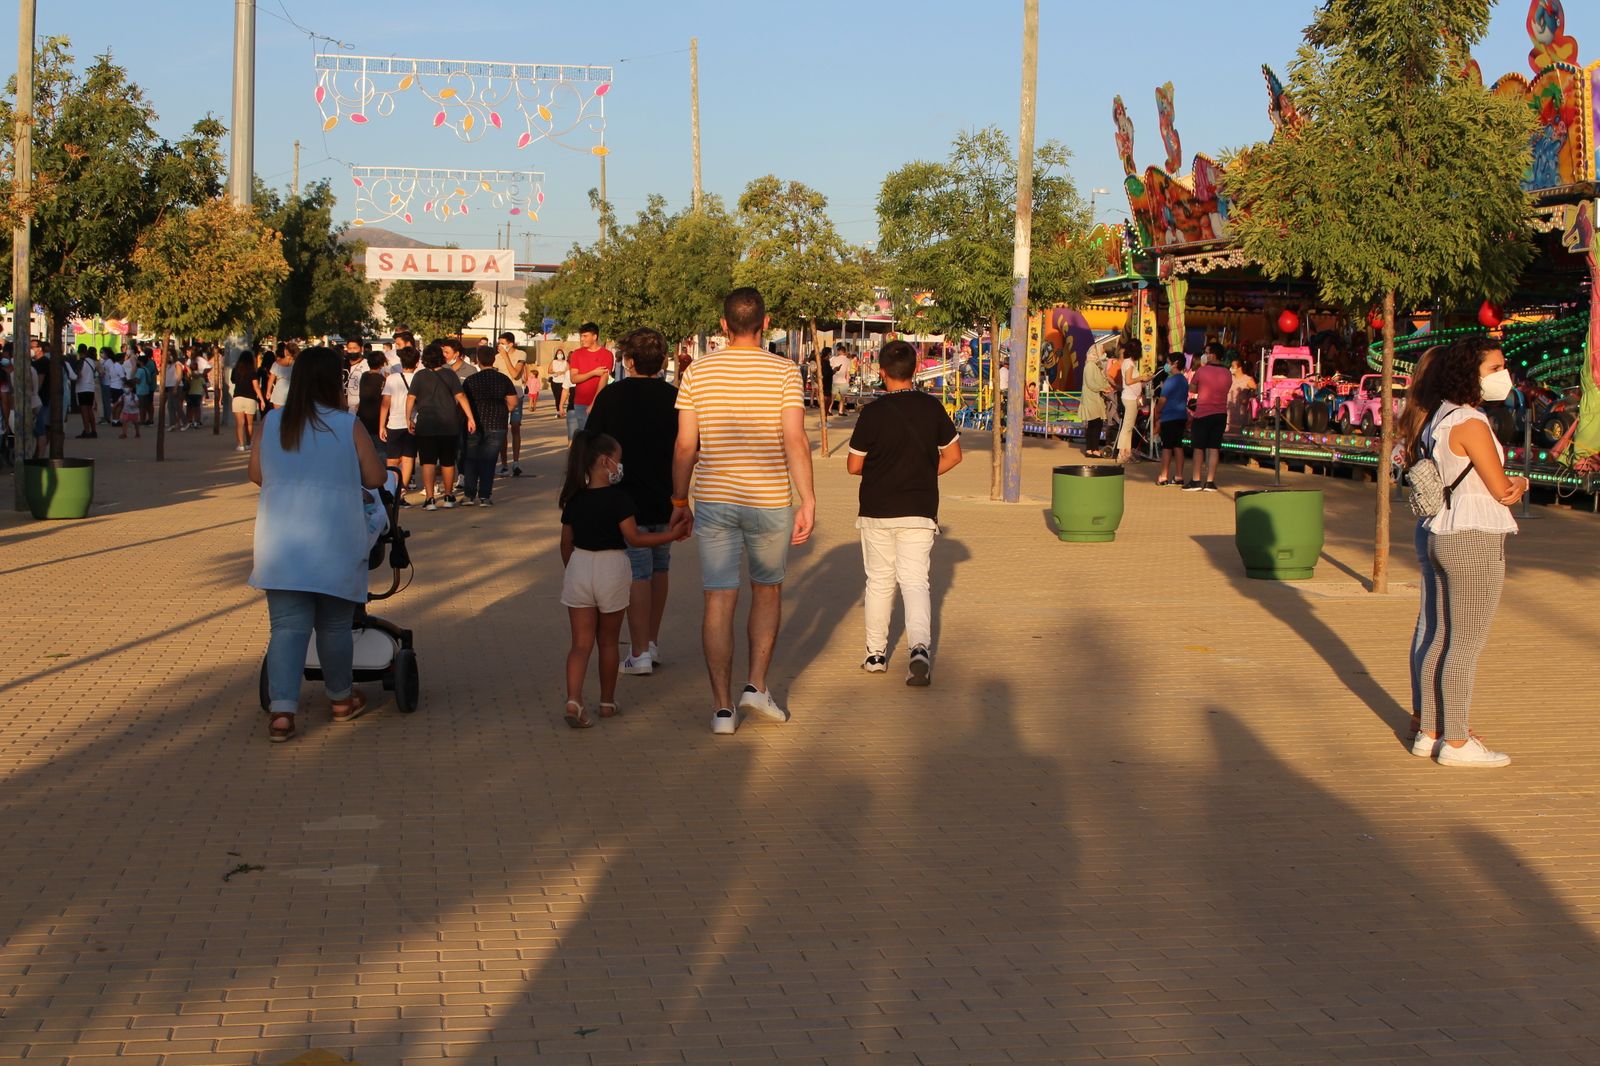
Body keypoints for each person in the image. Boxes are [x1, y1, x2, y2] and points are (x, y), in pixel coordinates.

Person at [672, 287, 815, 735]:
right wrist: (807, 498)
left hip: (715, 499)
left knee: (718, 598)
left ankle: (721, 709)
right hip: (770, 500)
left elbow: (685, 445)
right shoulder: (785, 371)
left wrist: (679, 500)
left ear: (723, 325)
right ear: (766, 323)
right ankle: (755, 686)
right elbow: (794, 439)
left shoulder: (698, 372)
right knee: (767, 590)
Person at [248, 346, 387, 743]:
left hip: (280, 540)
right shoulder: (347, 426)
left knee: (287, 628)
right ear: (335, 382)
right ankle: (341, 700)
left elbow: (256, 474)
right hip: (335, 539)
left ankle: (282, 712)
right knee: (335, 627)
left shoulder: (273, 421)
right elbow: (376, 477)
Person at [1401, 336, 1525, 767]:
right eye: (1494, 368)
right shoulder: (1472, 422)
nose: (1502, 375)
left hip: (1442, 532)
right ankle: (1455, 740)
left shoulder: (1441, 417)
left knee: (1438, 636)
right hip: (1474, 536)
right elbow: (1502, 489)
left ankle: (1430, 730)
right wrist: (1524, 483)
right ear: (1471, 372)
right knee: (1465, 643)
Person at [845, 339, 962, 684]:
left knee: (879, 582)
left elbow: (853, 465)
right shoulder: (931, 408)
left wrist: (883, 471)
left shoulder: (872, 413)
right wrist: (924, 473)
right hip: (919, 509)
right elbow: (953, 455)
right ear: (915, 371)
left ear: (882, 374)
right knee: (915, 581)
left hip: (877, 509)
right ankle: (920, 649)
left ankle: (875, 655)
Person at [558, 430, 684, 728]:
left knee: (580, 644)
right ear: (605, 462)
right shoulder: (620, 499)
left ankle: (574, 699)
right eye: (618, 461)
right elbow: (635, 538)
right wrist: (672, 535)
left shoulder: (574, 499)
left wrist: (572, 568)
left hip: (579, 566)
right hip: (612, 568)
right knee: (609, 641)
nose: (620, 466)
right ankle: (606, 701)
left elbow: (566, 542)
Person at [584, 326, 679, 675]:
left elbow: (590, 443)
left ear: (628, 360)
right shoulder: (676, 397)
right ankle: (651, 643)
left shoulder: (612, 396)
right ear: (663, 360)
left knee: (637, 570)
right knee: (660, 566)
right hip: (668, 494)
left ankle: (638, 651)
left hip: (624, 497)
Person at [1395, 346, 1443, 746]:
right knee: (1443, 627)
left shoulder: (1416, 415)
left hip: (1424, 523)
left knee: (1427, 622)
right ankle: (1431, 714)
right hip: (1446, 525)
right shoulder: (1447, 421)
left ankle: (1419, 711)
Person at [406, 342, 475, 510]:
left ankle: (430, 499)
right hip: (448, 423)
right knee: (447, 462)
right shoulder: (450, 374)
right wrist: (470, 417)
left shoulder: (420, 376)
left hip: (426, 424)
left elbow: (410, 399)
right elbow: (461, 396)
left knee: (428, 463)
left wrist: (408, 418)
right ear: (440, 357)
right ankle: (449, 495)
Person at [460, 345, 517, 506]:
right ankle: (485, 495)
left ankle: (469, 495)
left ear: (478, 360)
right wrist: (503, 410)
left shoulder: (471, 380)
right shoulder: (503, 379)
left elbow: (463, 402)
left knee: (471, 459)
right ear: (494, 359)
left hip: (474, 423)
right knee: (489, 460)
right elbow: (513, 402)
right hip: (497, 423)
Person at [1185, 342, 1232, 491]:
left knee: (1198, 447)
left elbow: (1192, 388)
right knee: (1214, 447)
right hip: (1221, 414)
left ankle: (1196, 480)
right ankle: (1210, 481)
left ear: (1213, 355)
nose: (1204, 355)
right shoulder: (1227, 372)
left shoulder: (1202, 371)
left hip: (1203, 413)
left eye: (1206, 352)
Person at [378, 346, 420, 501]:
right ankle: (402, 489)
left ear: (401, 362)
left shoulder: (392, 378)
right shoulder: (419, 378)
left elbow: (385, 404)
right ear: (417, 362)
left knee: (392, 459)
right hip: (413, 423)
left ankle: (392, 488)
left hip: (394, 422)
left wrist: (381, 425)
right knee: (409, 458)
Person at [565, 324, 614, 441]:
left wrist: (594, 402)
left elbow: (604, 379)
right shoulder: (577, 354)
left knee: (600, 437)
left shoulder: (607, 354)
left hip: (600, 402)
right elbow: (574, 378)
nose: (582, 339)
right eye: (581, 336)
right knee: (586, 437)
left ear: (595, 336)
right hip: (580, 403)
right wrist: (593, 373)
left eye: (585, 336)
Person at [492, 332, 529, 477]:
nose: (500, 346)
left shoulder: (521, 354)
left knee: (515, 427)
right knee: (502, 430)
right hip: (501, 397)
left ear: (510, 344)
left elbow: (515, 374)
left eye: (503, 343)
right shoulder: (496, 358)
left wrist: (505, 356)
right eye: (499, 343)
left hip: (516, 395)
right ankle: (504, 464)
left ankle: (516, 462)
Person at [1155, 351, 1190, 486]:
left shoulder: (1170, 381)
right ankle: (1179, 476)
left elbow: (1162, 400)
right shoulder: (1184, 380)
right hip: (1181, 416)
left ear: (1174, 364)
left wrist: (1157, 411)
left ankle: (1163, 476)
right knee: (1178, 446)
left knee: (1167, 447)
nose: (1166, 365)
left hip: (1169, 417)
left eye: (1168, 362)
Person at [1079, 343, 1112, 458]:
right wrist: (1102, 388)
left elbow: (1100, 381)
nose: (1104, 353)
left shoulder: (1097, 366)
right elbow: (1091, 383)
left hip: (1097, 398)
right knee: (1094, 424)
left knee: (1097, 424)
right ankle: (1091, 449)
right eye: (1102, 350)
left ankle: (1093, 448)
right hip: (1091, 398)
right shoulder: (1090, 366)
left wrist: (1106, 387)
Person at [1115, 344, 1146, 463]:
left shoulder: (1128, 362)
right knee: (1127, 427)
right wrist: (1141, 378)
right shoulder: (1129, 363)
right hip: (1130, 398)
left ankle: (1126, 453)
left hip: (1131, 397)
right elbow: (1128, 381)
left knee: (1128, 427)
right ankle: (1122, 454)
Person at [231, 347, 265, 452]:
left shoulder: (235, 370)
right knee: (249, 424)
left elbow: (233, 381)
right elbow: (256, 387)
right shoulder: (253, 372)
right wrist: (262, 399)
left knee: (239, 423)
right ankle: (249, 442)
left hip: (237, 398)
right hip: (250, 399)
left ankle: (241, 445)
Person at [356, 352, 386, 439]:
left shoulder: (364, 375)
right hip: (376, 419)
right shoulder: (382, 380)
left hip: (363, 417)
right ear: (381, 364)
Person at [1226, 355, 1257, 433]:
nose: (1231, 368)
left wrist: (1248, 398)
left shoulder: (1247, 379)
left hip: (1240, 413)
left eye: (1233, 366)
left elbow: (1257, 392)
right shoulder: (1229, 378)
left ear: (1239, 368)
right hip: (1228, 411)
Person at [74, 346, 99, 438]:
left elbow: (78, 374)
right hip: (90, 387)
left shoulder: (80, 361)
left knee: (84, 410)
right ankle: (93, 430)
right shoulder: (92, 362)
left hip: (82, 388)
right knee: (90, 410)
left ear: (79, 352)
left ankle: (86, 431)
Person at [99, 347, 124, 427]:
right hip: (107, 383)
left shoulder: (109, 362)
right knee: (109, 402)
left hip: (108, 383)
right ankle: (112, 418)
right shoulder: (105, 361)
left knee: (110, 402)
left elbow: (110, 373)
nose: (101, 354)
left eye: (102, 352)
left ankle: (109, 418)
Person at [185, 347, 209, 429]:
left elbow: (209, 367)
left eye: (189, 352)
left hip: (195, 392)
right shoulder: (190, 360)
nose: (188, 353)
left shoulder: (199, 360)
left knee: (194, 407)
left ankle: (195, 420)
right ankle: (194, 420)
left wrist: (202, 374)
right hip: (194, 391)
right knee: (194, 407)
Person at [267, 342, 295, 411]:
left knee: (278, 415)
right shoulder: (296, 364)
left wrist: (268, 392)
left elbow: (271, 380)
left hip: (278, 392)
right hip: (292, 393)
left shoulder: (276, 363)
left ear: (285, 352)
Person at [343, 338, 367, 413]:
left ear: (361, 349)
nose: (352, 351)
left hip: (359, 410)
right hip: (341, 409)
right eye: (350, 348)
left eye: (355, 348)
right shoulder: (341, 364)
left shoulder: (367, 365)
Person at [828, 345, 851, 416]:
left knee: (832, 397)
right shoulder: (847, 360)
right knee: (842, 398)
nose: (837, 352)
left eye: (838, 351)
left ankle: (829, 409)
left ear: (840, 351)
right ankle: (840, 411)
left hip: (834, 380)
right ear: (844, 352)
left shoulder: (833, 359)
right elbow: (848, 373)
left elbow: (829, 368)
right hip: (843, 381)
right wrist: (847, 382)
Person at [117, 373, 141, 439]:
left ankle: (137, 433)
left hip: (134, 412)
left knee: (135, 423)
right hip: (126, 411)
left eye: (127, 387)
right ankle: (124, 433)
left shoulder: (134, 396)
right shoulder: (123, 395)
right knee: (124, 422)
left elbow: (138, 403)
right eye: (125, 387)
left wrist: (134, 405)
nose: (125, 388)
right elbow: (119, 401)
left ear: (131, 388)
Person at [548, 347, 570, 415]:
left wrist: (562, 372)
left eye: (561, 353)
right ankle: (558, 410)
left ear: (563, 355)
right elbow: (549, 370)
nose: (559, 354)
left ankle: (562, 408)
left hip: (563, 381)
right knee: (557, 396)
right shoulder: (553, 361)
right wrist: (555, 372)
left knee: (562, 396)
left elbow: (568, 370)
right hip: (555, 382)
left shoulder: (565, 362)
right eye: (558, 353)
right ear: (556, 354)